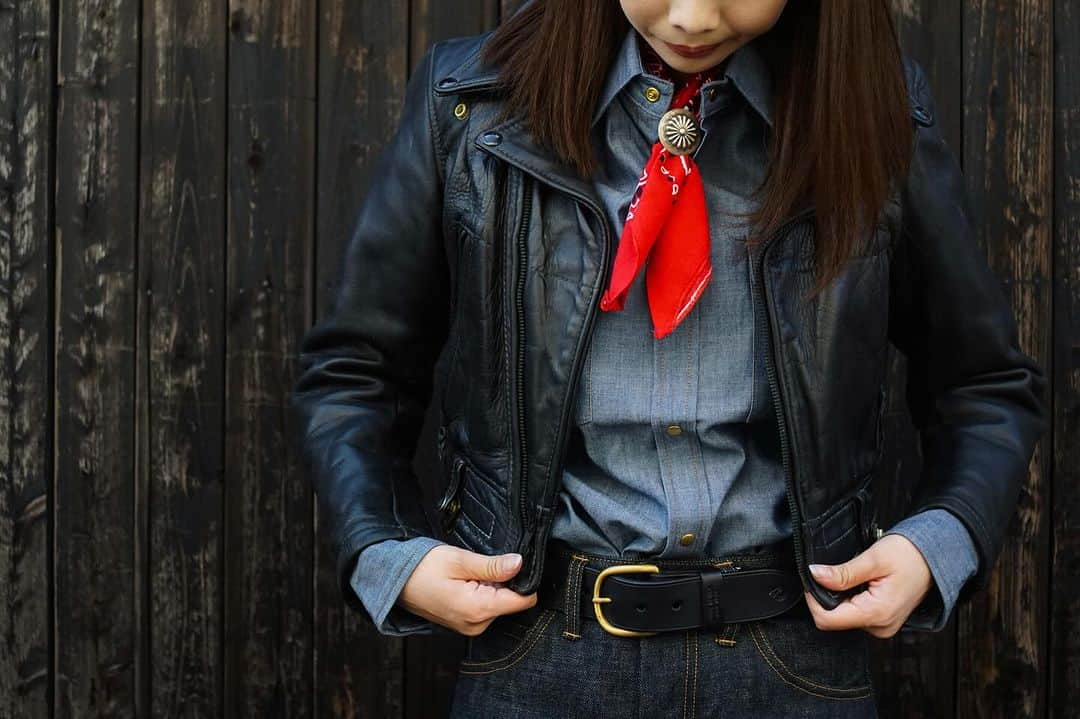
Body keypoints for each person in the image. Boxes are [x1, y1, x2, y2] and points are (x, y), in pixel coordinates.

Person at [289, 0, 1049, 716]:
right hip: (540, 661)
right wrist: (388, 550)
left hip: (794, 665)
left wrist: (936, 542)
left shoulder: (876, 113)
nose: (691, 16)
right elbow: (357, 372)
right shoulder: (470, 105)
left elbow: (982, 384)